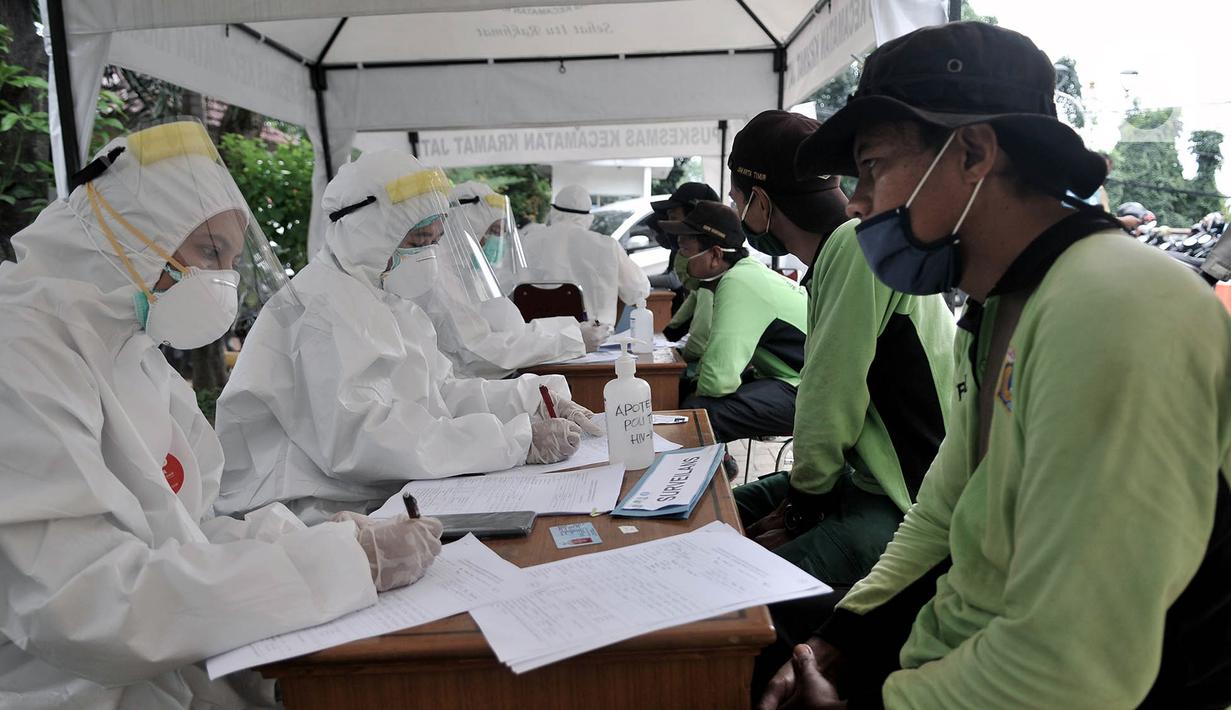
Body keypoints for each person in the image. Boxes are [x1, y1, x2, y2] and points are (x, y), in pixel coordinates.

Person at [760, 22, 1231, 709]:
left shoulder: (1113, 306)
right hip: (960, 648)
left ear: (973, 152)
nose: (855, 204)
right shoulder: (1002, 307)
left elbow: (1072, 666)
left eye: (871, 167)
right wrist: (845, 634)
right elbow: (946, 510)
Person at [0, 120, 442, 709]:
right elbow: (85, 606)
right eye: (209, 253)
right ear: (126, 235)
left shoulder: (130, 351)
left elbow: (195, 524)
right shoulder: (20, 354)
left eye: (231, 261)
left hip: (173, 662)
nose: (221, 281)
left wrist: (318, 541)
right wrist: (337, 564)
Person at [215, 151, 600, 524]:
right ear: (369, 235)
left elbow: (440, 394)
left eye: (435, 241)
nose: (428, 255)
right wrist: (515, 442)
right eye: (417, 242)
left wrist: (530, 398)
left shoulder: (388, 299)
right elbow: (364, 441)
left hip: (380, 496)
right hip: (312, 517)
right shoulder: (320, 310)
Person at [730, 109, 955, 622]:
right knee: (722, 509)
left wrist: (804, 507)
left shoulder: (857, 247)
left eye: (737, 198)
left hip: (908, 502)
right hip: (865, 480)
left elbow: (829, 397)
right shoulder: (845, 248)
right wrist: (805, 496)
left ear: (760, 202)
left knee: (748, 608)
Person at [394, 180, 603, 380]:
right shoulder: (436, 277)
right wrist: (570, 339)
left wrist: (571, 327)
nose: (497, 240)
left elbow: (512, 332)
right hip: (471, 387)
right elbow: (479, 352)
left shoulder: (469, 273)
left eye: (501, 232)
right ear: (467, 228)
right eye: (493, 231)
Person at [661, 201, 808, 442]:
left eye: (685, 250)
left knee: (700, 414)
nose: (680, 258)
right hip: (793, 380)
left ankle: (707, 475)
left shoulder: (738, 282)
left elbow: (719, 379)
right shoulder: (743, 274)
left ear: (716, 255)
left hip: (812, 391)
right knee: (690, 393)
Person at [518, 184, 651, 326]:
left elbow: (506, 287)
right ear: (588, 217)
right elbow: (638, 292)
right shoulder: (607, 246)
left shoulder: (528, 241)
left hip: (536, 339)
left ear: (554, 211)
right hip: (592, 341)